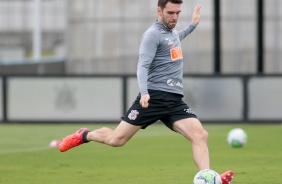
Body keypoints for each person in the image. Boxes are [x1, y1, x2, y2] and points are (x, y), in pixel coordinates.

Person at [59, 0, 234, 183]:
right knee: (116, 140)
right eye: (170, 13)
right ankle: (85, 135)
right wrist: (144, 92)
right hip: (153, 97)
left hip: (173, 101)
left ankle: (208, 178)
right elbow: (142, 66)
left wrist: (192, 25)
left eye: (178, 13)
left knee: (200, 135)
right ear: (159, 10)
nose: (175, 17)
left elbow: (175, 38)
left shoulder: (171, 32)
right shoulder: (151, 35)